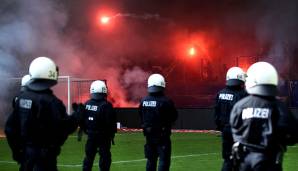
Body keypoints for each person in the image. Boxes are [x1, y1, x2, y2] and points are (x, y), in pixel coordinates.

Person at [5, 56, 80, 171]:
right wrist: (77, 115)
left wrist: (17, 152)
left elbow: (10, 129)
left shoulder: (21, 98)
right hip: (45, 159)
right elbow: (64, 128)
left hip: (26, 157)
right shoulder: (52, 102)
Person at [230, 62, 297, 171]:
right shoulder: (279, 107)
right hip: (269, 161)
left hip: (242, 162)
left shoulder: (240, 106)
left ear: (251, 80)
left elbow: (234, 130)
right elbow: (293, 134)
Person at [139, 73, 178, 171]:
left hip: (149, 136)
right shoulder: (166, 101)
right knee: (163, 161)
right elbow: (174, 116)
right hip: (163, 137)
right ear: (162, 84)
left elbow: (141, 115)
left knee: (151, 160)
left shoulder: (143, 101)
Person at [214, 67, 248, 171]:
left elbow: (216, 113)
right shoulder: (243, 94)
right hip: (239, 132)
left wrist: (221, 127)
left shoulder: (220, 93)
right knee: (242, 160)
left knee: (228, 160)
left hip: (225, 130)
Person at [79, 80, 117, 171]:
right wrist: (111, 134)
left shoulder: (87, 104)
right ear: (104, 91)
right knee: (105, 159)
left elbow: (82, 120)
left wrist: (87, 131)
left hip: (91, 136)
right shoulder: (107, 105)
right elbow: (111, 123)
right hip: (103, 137)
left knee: (88, 158)